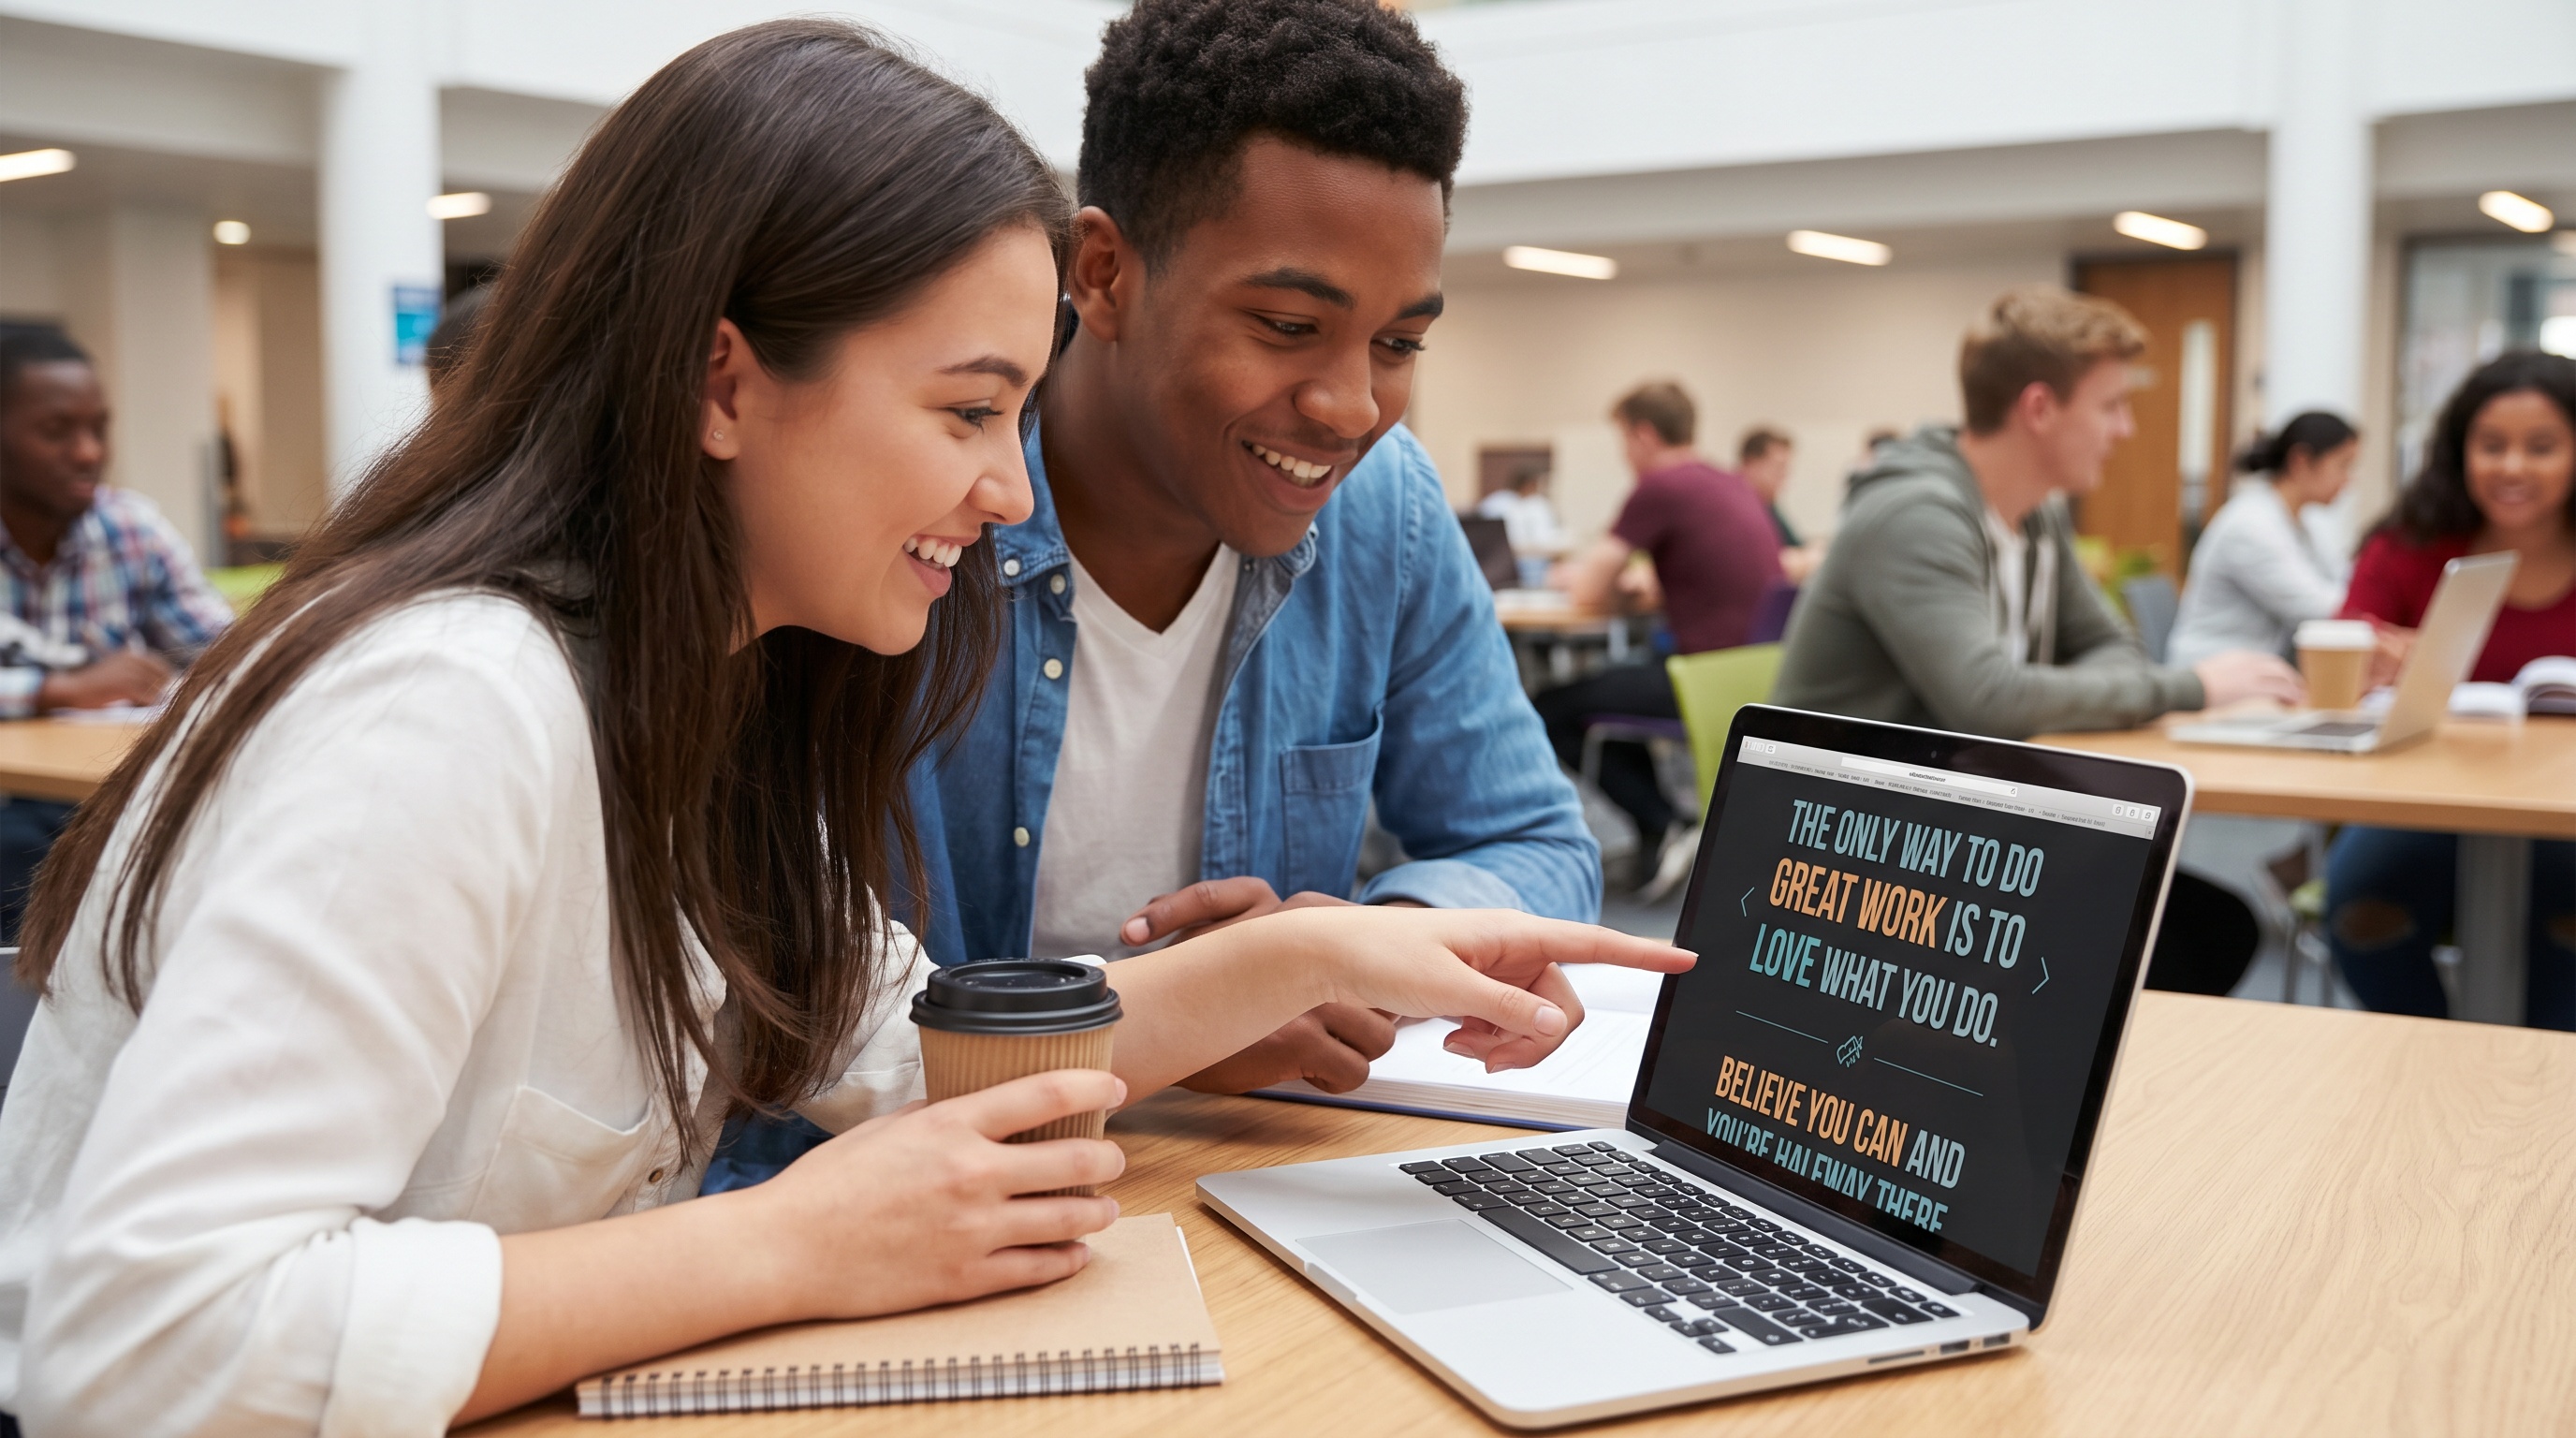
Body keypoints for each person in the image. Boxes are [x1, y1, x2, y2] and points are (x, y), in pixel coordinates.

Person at [0, 24, 1690, 1433]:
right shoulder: (448, 705)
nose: (1008, 490)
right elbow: (138, 1343)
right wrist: (788, 1246)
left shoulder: (709, 692)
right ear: (723, 382)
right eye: (968, 410)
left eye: (1015, 414)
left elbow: (896, 1043)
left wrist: (1302, 954)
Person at [904, 0, 1600, 1094]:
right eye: (1287, 327)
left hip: (1241, 1162)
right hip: (926, 1163)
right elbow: (797, 1012)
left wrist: (1361, 948)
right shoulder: (919, 509)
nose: (1352, 407)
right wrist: (1189, 1010)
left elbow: (1536, 845)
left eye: (1399, 342)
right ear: (1103, 274)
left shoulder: (1385, 510)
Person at [1775, 285, 2302, 737]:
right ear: (2040, 409)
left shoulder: (2035, 514)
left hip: (1943, 799)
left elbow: (2113, 646)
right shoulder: (1915, 517)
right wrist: (2194, 687)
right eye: (2110, 406)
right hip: (1828, 814)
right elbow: (1988, 701)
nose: (2126, 430)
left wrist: (2040, 694)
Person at [2326, 350, 2576, 1028]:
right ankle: (2436, 1062)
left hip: (2564, 805)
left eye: (2542, 447)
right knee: (2361, 911)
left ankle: (2533, 1073)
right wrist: (2371, 658)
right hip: (2421, 798)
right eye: (2491, 446)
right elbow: (2342, 645)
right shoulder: (2410, 544)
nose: (2512, 467)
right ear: (2461, 449)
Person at [0, 330, 231, 940]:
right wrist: (60, 689)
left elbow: (226, 648)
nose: (88, 452)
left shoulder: (130, 528)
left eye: (99, 428)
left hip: (111, 795)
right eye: (57, 431)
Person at [1534, 381, 1781, 889]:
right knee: (1607, 692)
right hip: (1749, 673)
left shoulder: (1661, 486)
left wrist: (1574, 576)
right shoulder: (1727, 482)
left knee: (1551, 706)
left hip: (1702, 680)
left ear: (1643, 434)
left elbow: (1587, 589)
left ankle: (1661, 820)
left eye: (1623, 441)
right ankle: (1660, 825)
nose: (1625, 455)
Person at [2166, 410, 2359, 668]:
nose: (2348, 480)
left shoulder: (2300, 523)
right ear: (2300, 461)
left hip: (2254, 667)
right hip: (2212, 669)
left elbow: (2343, 580)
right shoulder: (2251, 527)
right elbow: (2320, 608)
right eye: (2343, 465)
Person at [1737, 425, 1823, 583]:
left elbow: (1797, 546)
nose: (1785, 475)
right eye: (1779, 467)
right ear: (1750, 464)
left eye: (1787, 468)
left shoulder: (1769, 505)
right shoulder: (1735, 509)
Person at [1475, 460, 1568, 584]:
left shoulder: (1536, 504)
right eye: (1536, 483)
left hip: (1534, 569)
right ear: (1527, 483)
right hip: (1503, 568)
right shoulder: (1499, 504)